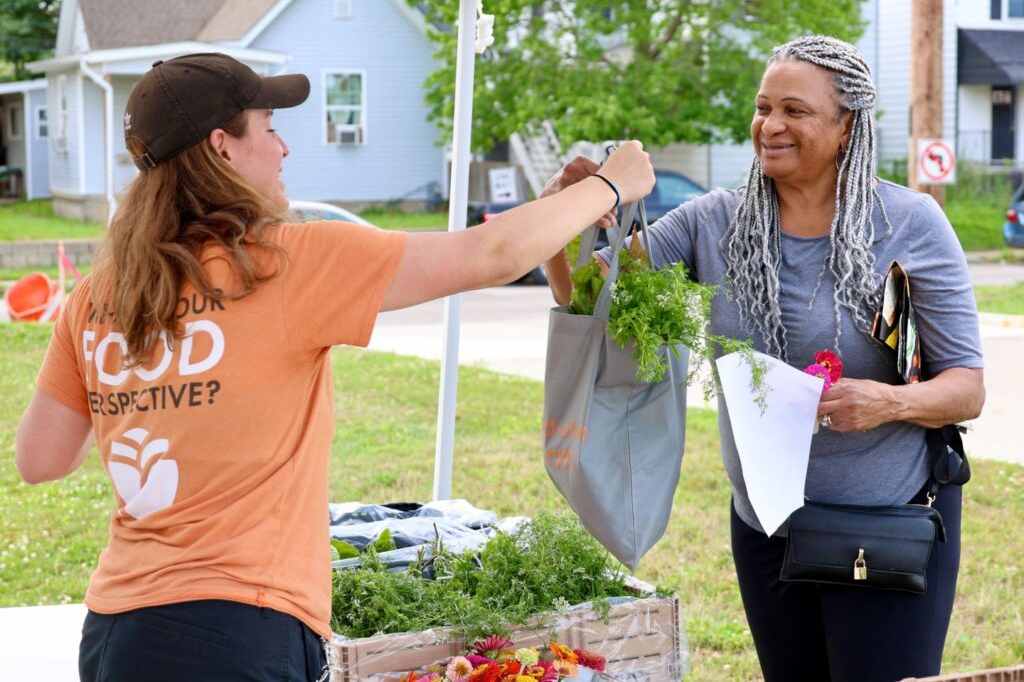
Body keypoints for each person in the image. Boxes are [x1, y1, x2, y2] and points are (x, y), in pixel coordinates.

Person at [13, 53, 654, 682]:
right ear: (223, 147)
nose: (285, 148)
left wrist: (152, 394)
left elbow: (39, 459)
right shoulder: (281, 265)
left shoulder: (98, 295)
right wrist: (612, 181)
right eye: (269, 127)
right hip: (236, 631)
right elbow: (490, 254)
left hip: (113, 630)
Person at [544, 35, 985, 682]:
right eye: (762, 107)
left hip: (886, 529)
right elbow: (590, 298)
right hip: (767, 529)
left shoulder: (910, 223)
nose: (770, 125)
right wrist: (565, 214)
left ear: (846, 127)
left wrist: (886, 400)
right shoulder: (713, 222)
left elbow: (967, 388)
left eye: (795, 110)